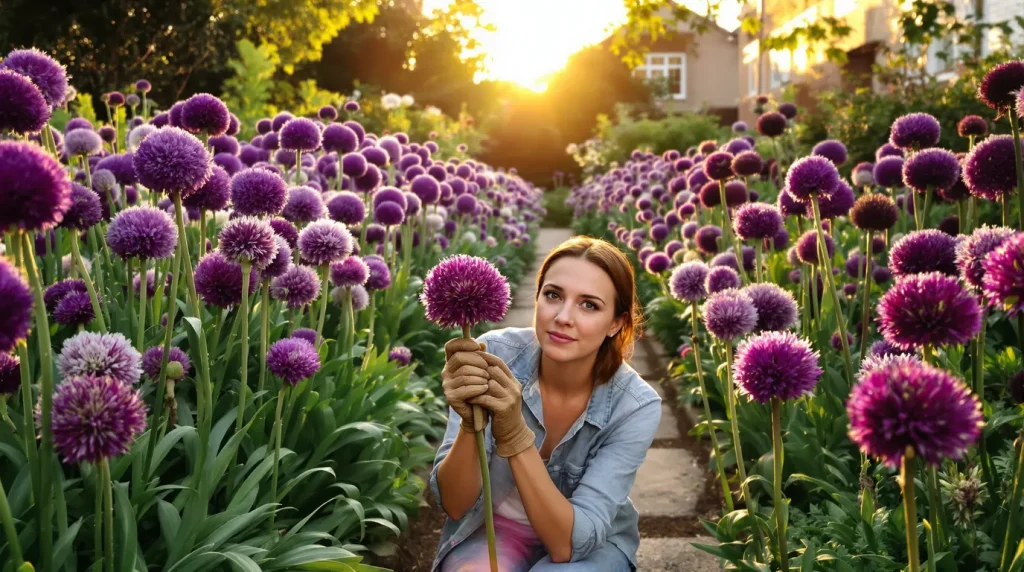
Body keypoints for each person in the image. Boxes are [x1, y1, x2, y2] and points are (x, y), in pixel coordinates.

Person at [430, 236, 662, 571]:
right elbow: (454, 505)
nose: (563, 317)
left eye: (589, 305)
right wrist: (470, 425)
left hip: (588, 547)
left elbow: (569, 544)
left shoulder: (635, 406)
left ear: (617, 323)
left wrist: (515, 435)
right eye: (553, 295)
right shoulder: (493, 354)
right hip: (495, 528)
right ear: (537, 297)